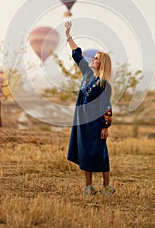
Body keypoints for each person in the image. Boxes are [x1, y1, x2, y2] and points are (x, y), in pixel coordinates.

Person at [65, 21, 115, 197]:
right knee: (85, 152)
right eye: (93, 58)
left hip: (95, 123)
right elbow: (77, 55)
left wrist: (105, 126)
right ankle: (88, 187)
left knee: (100, 153)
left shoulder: (104, 84)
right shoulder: (87, 74)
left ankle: (107, 187)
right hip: (82, 121)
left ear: (102, 63)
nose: (92, 59)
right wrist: (68, 36)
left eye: (96, 59)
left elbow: (106, 107)